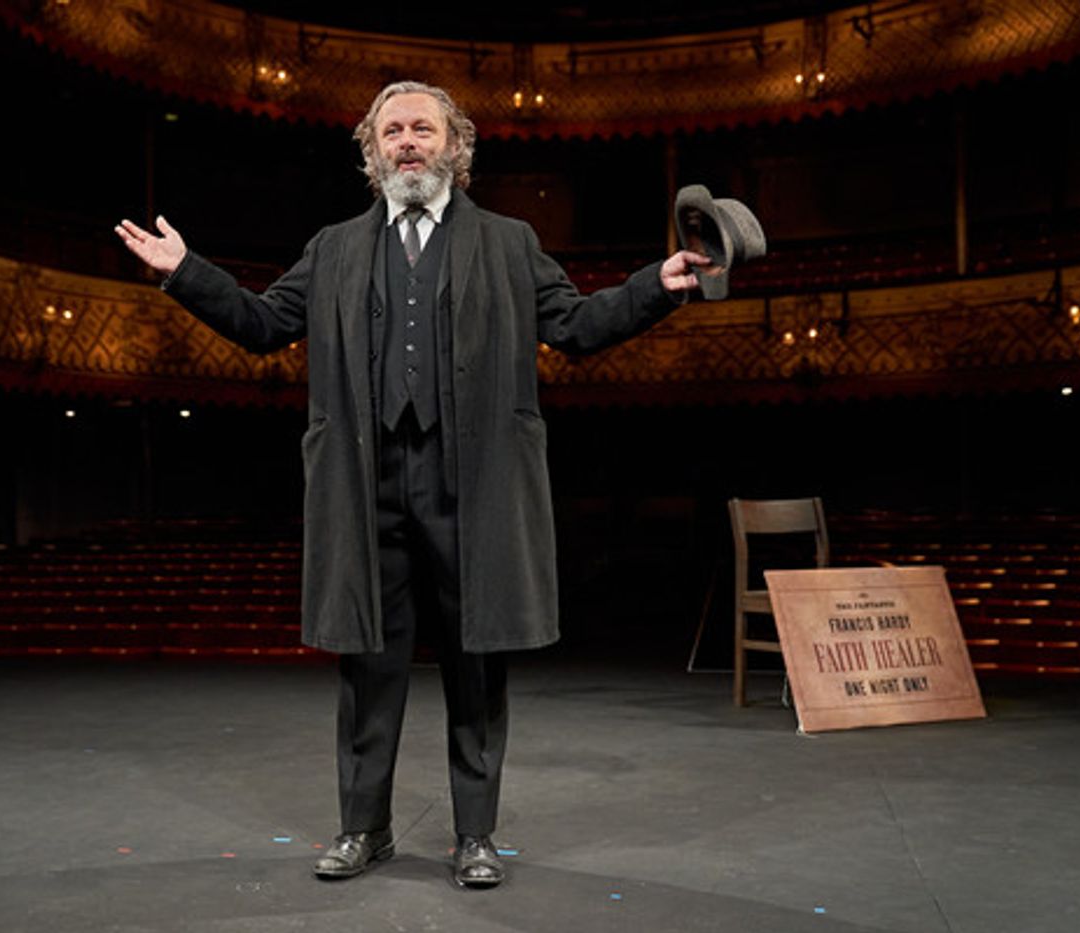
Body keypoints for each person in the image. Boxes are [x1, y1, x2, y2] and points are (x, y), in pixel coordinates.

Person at [116, 80, 708, 889]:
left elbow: (574, 324)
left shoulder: (507, 241)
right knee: (368, 662)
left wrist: (657, 284)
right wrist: (186, 271)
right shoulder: (334, 247)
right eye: (391, 131)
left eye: (422, 129)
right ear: (372, 153)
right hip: (367, 483)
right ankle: (364, 828)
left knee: (477, 661)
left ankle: (474, 836)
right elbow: (263, 325)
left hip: (474, 482)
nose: (407, 142)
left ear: (453, 147)